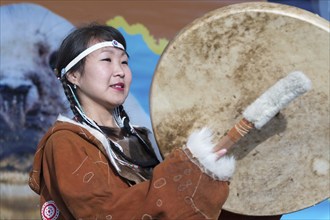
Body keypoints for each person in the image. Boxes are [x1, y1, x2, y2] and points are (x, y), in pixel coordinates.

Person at [28, 23, 235, 219]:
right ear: (74, 75)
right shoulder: (65, 142)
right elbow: (103, 212)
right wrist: (183, 171)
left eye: (124, 62)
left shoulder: (141, 137)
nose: (120, 71)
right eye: (107, 60)